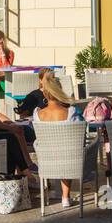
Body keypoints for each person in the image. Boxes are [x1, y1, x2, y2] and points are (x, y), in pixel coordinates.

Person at [31, 74, 85, 208]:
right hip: (68, 160)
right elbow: (80, 133)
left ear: (44, 93)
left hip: (47, 159)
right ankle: (65, 198)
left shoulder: (37, 114)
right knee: (68, 150)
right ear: (59, 91)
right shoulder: (70, 112)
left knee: (61, 150)